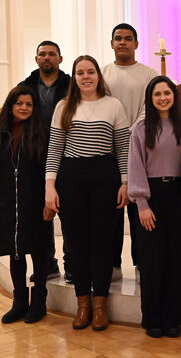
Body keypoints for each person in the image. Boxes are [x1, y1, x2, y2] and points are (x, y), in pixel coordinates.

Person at [45, 55, 130, 331]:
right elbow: (55, 150)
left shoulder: (113, 105)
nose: (86, 77)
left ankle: (100, 305)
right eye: (80, 73)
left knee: (102, 243)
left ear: (98, 75)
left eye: (90, 72)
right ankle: (82, 304)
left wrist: (125, 182)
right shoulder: (64, 107)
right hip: (71, 179)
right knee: (76, 243)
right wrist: (50, 186)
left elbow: (123, 148)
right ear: (74, 77)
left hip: (105, 177)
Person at [0, 85, 54, 324]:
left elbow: (49, 171)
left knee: (39, 252)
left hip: (35, 204)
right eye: (19, 103)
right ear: (11, 106)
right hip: (6, 204)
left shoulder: (42, 134)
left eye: (28, 104)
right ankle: (19, 301)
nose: (23, 108)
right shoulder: (0, 134)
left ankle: (39, 302)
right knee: (15, 253)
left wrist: (49, 201)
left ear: (34, 108)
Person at [128, 76, 181, 339]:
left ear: (173, 96)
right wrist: (142, 204)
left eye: (167, 93)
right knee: (152, 261)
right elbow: (135, 167)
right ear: (150, 99)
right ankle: (152, 318)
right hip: (151, 196)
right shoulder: (141, 129)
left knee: (177, 259)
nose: (163, 98)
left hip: (179, 195)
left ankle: (173, 319)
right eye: (157, 94)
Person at [103, 23, 159, 282]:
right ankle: (112, 263)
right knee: (112, 209)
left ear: (136, 44)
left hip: (140, 148)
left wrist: (131, 131)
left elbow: (151, 106)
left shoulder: (149, 74)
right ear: (112, 44)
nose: (123, 42)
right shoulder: (103, 73)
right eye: (118, 38)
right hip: (109, 150)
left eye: (128, 39)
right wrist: (115, 131)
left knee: (138, 207)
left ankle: (141, 262)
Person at [20, 40, 71, 283]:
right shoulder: (26, 86)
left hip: (68, 155)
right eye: (42, 54)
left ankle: (71, 263)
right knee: (40, 213)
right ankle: (46, 263)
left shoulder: (71, 86)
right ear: (36, 58)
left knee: (69, 212)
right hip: (35, 157)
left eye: (52, 54)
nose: (47, 58)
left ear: (60, 59)